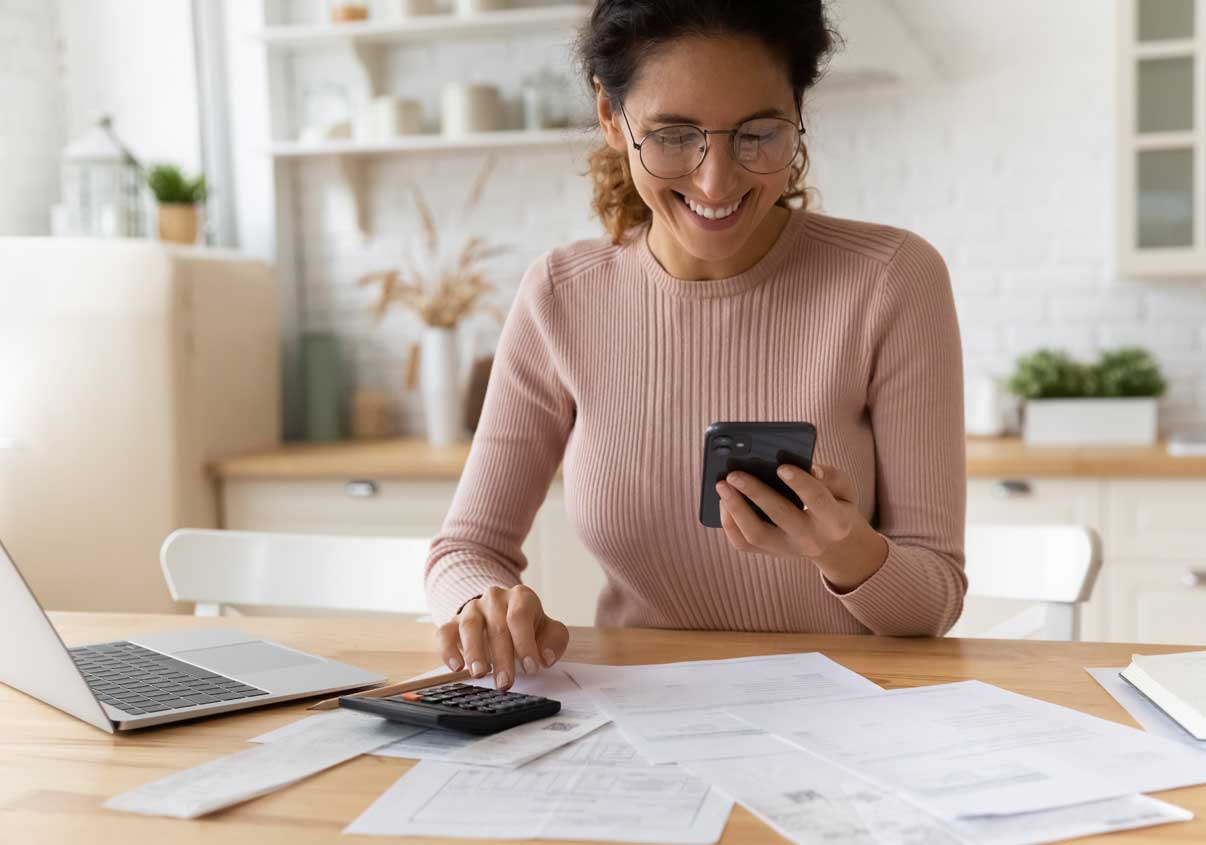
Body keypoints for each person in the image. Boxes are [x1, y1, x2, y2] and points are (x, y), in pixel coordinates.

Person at [424, 0, 967, 691]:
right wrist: (482, 603)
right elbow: (465, 551)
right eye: (674, 135)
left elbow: (934, 599)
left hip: (847, 713)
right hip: (640, 715)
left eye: (758, 134)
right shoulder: (561, 295)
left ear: (798, 113)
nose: (717, 181)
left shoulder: (890, 279)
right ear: (610, 118)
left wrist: (847, 549)